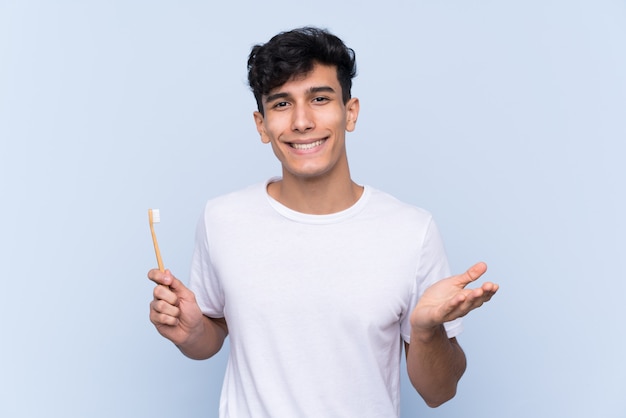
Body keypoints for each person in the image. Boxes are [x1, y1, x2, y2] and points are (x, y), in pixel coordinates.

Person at [148, 27, 499, 417]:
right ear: (261, 125)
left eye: (319, 98)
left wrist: (427, 332)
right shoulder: (222, 219)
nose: (301, 121)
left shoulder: (411, 231)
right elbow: (211, 336)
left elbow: (440, 392)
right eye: (281, 104)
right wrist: (195, 333)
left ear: (350, 113)